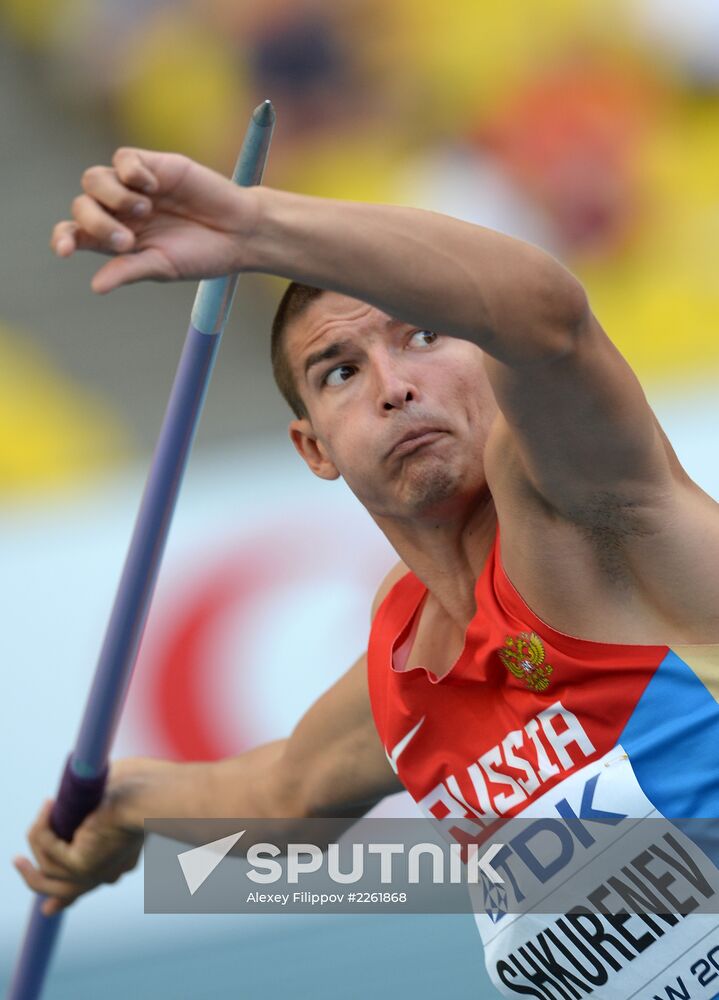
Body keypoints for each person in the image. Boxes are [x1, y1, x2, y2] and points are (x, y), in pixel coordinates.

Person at [14, 147, 719, 997]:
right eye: (340, 372)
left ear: (487, 358)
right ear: (314, 448)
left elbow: (548, 318)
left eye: (422, 334)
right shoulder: (411, 663)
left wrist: (255, 228)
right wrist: (125, 803)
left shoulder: (591, 517)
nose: (394, 386)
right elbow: (284, 797)